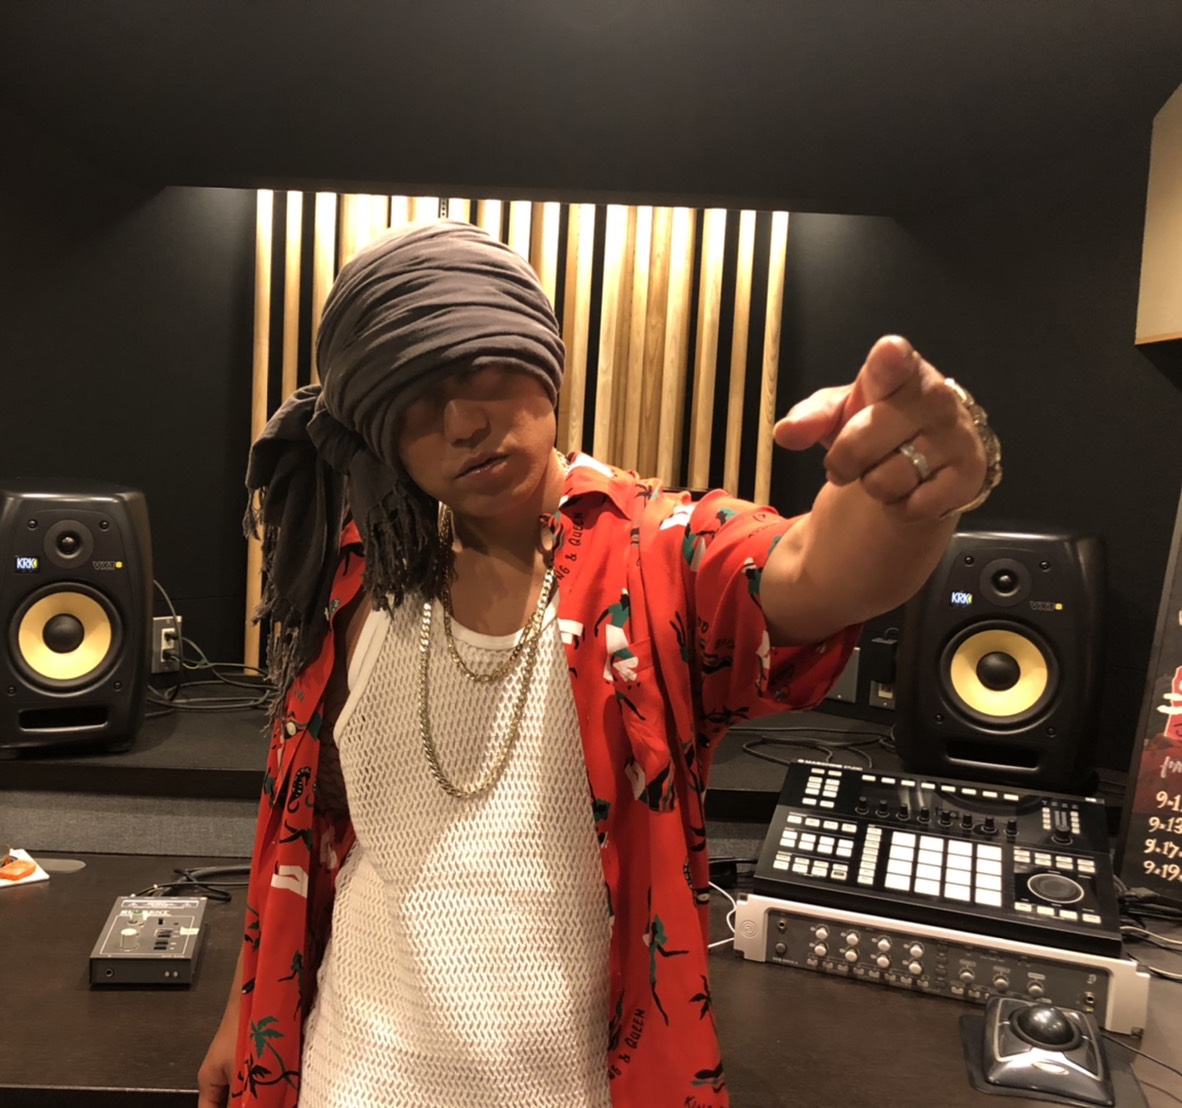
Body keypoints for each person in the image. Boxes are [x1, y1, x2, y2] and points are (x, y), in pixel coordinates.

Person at [198, 220, 1000, 1108]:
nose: (463, 422)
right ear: (376, 430)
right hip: (350, 1071)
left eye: (479, 367)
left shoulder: (655, 556)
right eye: (413, 400)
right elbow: (301, 823)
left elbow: (815, 572)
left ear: (539, 357)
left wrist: (910, 496)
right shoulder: (360, 572)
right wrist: (246, 1006)